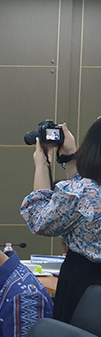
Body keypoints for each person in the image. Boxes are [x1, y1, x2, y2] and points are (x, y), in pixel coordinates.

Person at [21, 120, 101, 322]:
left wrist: (41, 164)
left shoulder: (83, 193)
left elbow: (39, 220)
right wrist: (71, 158)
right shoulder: (84, 191)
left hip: (86, 284)